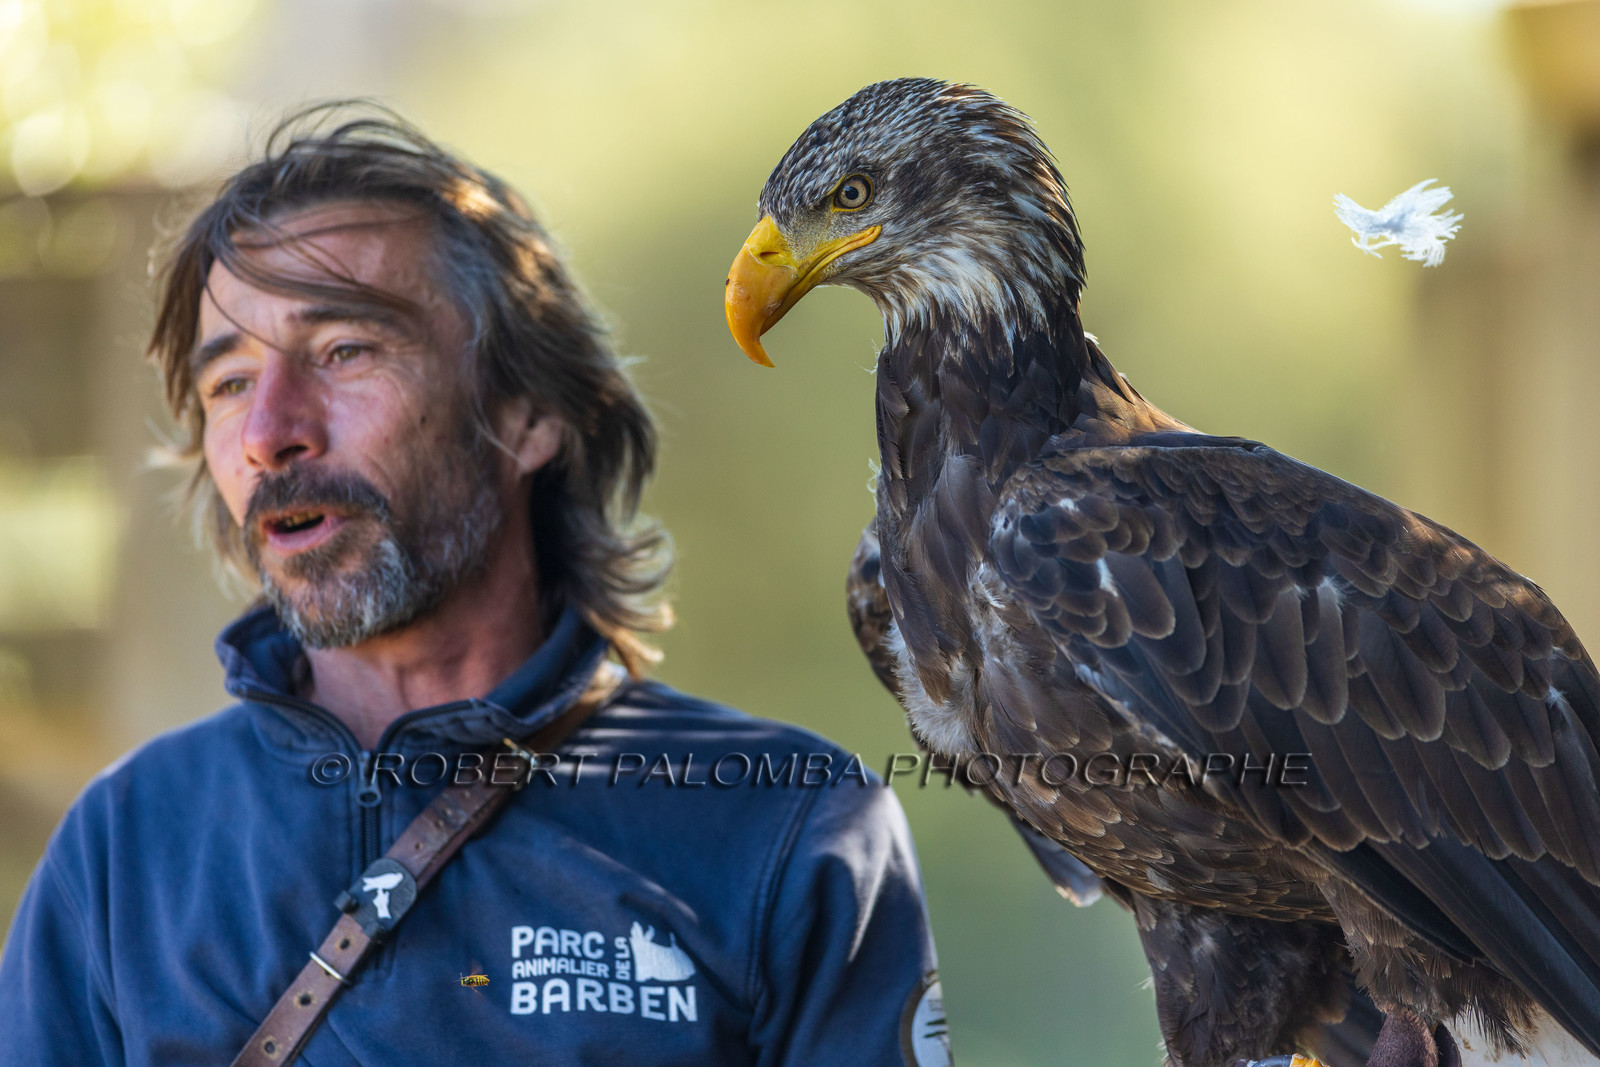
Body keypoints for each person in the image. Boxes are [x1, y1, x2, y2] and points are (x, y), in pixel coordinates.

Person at [0, 106, 949, 1066]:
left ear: (529, 412)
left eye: (343, 352)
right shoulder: (124, 847)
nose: (268, 431)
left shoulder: (789, 828)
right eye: (228, 383)